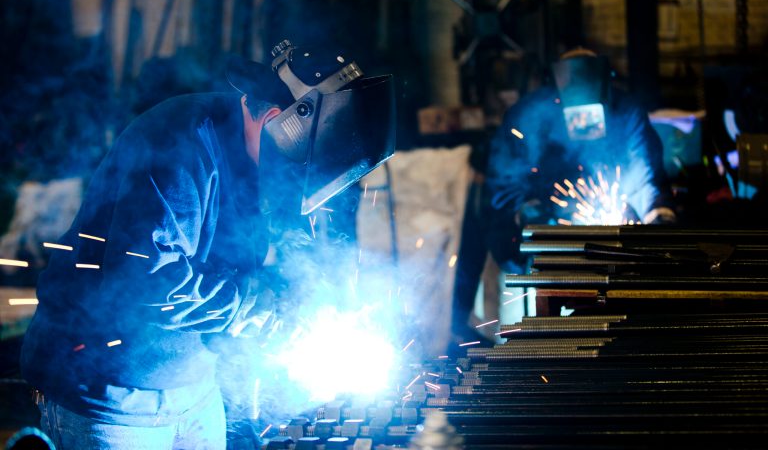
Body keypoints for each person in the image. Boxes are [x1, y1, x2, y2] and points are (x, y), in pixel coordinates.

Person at [20, 39, 395, 449]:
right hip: (111, 397)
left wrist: (312, 301)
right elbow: (149, 282)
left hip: (196, 392)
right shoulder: (178, 144)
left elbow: (287, 246)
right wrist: (262, 313)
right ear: (275, 119)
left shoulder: (271, 156)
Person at [450, 48, 676, 345]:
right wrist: (525, 213)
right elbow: (506, 180)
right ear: (557, 95)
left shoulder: (627, 111)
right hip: (539, 239)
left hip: (607, 242)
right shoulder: (529, 115)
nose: (585, 124)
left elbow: (644, 176)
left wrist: (657, 216)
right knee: (524, 330)